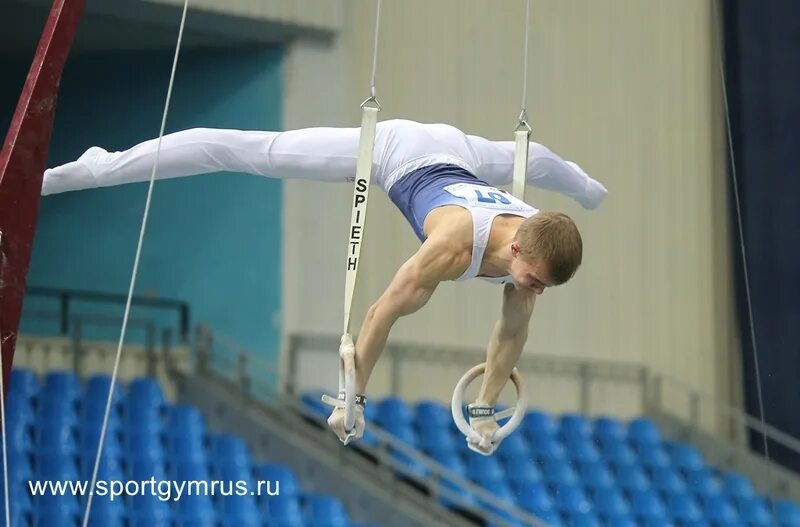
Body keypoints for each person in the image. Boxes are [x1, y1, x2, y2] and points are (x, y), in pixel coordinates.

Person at [42, 119, 607, 454]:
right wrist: (352, 394)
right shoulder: (454, 244)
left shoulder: (539, 240)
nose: (533, 289)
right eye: (533, 279)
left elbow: (510, 334)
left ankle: (585, 188)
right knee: (246, 152)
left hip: (460, 154)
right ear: (515, 250)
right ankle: (100, 165)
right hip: (396, 151)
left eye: (541, 285)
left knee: (537, 160)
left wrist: (486, 411)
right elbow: (382, 312)